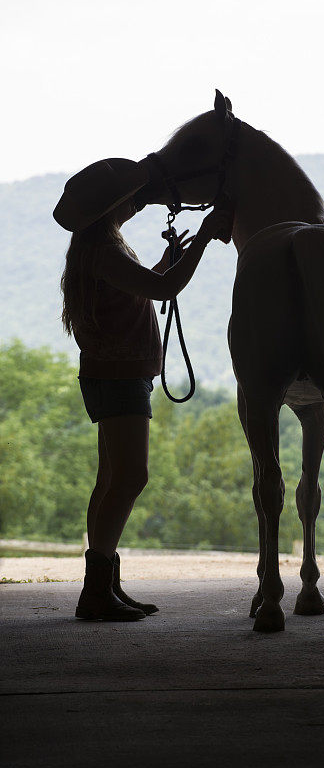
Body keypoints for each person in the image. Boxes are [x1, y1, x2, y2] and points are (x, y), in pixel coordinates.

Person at [57, 158, 230, 622]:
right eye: (131, 198)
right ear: (115, 206)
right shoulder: (106, 250)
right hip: (120, 378)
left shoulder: (99, 247)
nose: (138, 202)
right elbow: (166, 288)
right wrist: (207, 237)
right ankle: (96, 592)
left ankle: (105, 586)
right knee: (131, 478)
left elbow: (143, 287)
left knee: (110, 482)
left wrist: (171, 256)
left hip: (108, 374)